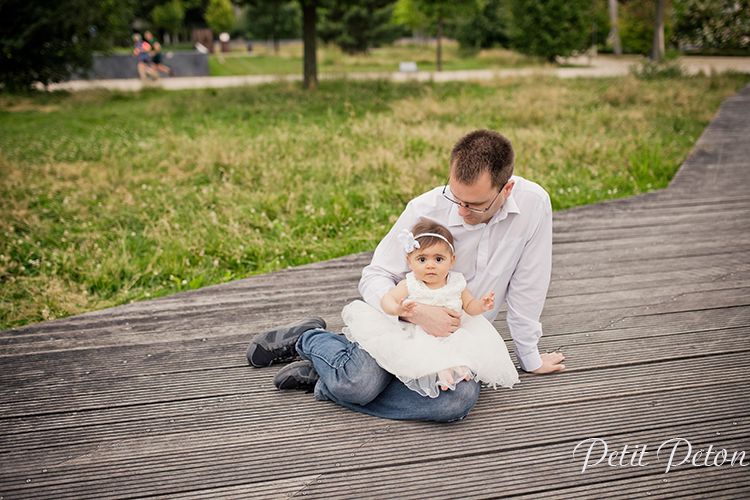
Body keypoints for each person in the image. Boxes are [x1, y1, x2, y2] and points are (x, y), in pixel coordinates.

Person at [247, 129, 565, 422]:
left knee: (454, 403)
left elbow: (529, 283)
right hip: (400, 326)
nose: (461, 211)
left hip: (458, 342)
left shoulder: (534, 204)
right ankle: (309, 340)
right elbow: (375, 276)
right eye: (456, 198)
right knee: (360, 384)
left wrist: (529, 355)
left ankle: (329, 379)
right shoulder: (423, 209)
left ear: (506, 189)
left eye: (475, 205)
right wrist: (415, 314)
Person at [341, 219, 519, 398]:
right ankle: (439, 374)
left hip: (454, 334)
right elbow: (388, 298)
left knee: (461, 355)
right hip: (418, 334)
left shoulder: (457, 282)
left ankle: (455, 371)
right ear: (410, 262)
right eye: (422, 259)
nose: (430, 265)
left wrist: (481, 305)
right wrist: (396, 309)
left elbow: (469, 305)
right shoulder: (410, 283)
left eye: (439, 259)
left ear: (451, 261)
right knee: (426, 356)